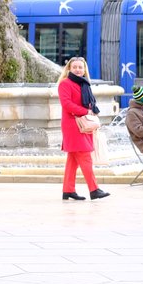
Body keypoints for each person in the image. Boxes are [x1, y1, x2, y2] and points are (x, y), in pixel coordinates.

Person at [58, 56, 108, 201]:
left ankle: (68, 190)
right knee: (85, 156)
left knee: (73, 159)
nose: (78, 70)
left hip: (82, 124)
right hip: (72, 125)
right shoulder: (65, 84)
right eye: (75, 67)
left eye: (80, 67)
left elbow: (88, 102)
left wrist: (93, 109)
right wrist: (86, 111)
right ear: (69, 69)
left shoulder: (84, 84)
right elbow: (66, 104)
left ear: (84, 69)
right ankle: (94, 190)